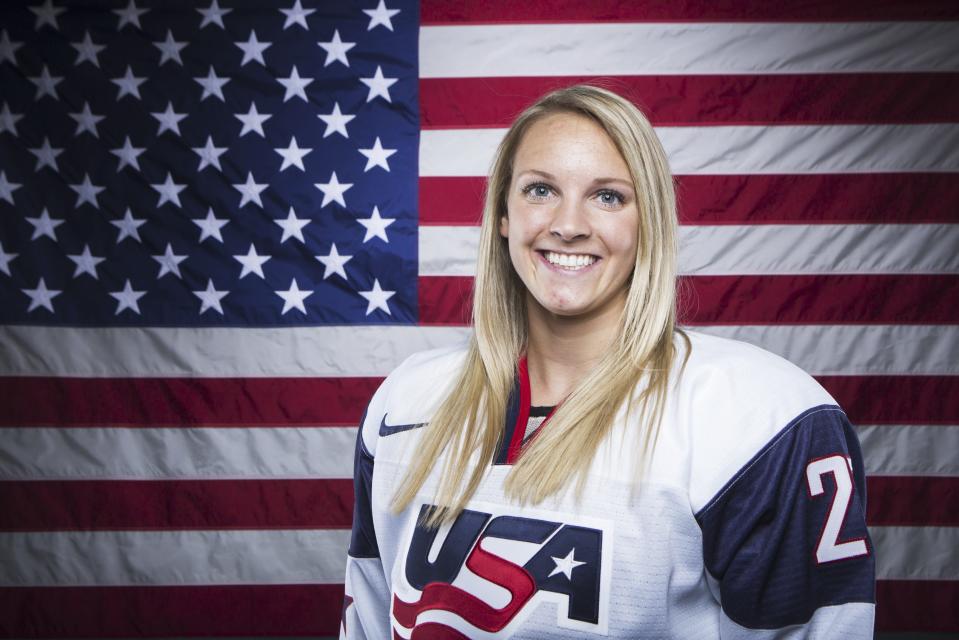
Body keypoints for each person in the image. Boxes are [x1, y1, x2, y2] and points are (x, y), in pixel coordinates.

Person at [340, 85, 875, 638]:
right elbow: (371, 621)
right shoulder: (407, 400)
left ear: (650, 220)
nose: (568, 224)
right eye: (540, 189)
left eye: (609, 197)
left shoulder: (756, 416)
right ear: (503, 214)